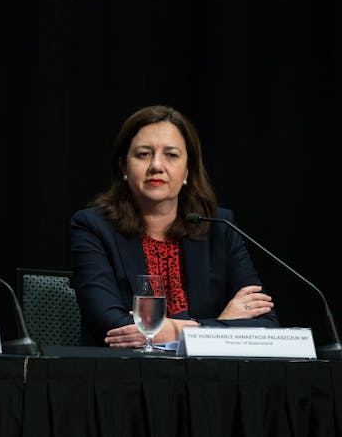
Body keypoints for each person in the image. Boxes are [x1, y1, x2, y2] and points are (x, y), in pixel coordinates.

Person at [70, 105, 279, 348]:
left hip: (208, 380)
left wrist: (179, 331)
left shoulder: (220, 227)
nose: (157, 166)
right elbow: (114, 327)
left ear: (187, 169)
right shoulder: (93, 227)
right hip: (123, 376)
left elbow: (266, 325)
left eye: (171, 155)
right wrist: (216, 327)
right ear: (123, 167)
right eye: (143, 154)